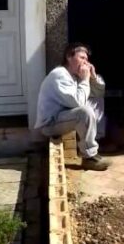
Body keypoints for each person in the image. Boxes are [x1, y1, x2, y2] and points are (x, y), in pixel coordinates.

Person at [34, 43, 110, 171]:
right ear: (69, 57)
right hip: (50, 124)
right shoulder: (60, 75)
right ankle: (89, 157)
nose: (85, 62)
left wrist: (93, 77)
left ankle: (97, 139)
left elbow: (98, 93)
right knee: (84, 112)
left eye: (87, 59)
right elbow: (79, 103)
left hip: (63, 117)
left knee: (95, 100)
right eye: (82, 58)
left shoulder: (74, 76)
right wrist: (85, 80)